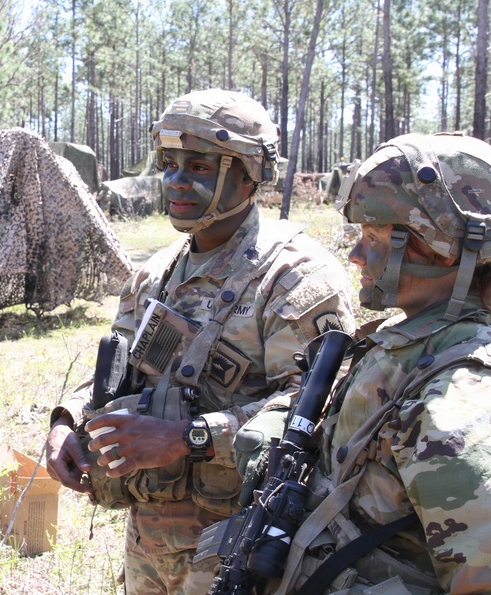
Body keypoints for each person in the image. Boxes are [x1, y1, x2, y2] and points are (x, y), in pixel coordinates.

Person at [44, 89, 356, 595]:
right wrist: (67, 421)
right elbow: (118, 367)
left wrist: (184, 437)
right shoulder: (157, 271)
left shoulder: (295, 279)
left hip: (238, 545)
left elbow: (318, 415)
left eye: (201, 166)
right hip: (148, 539)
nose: (176, 180)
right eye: (170, 163)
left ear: (249, 173)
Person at [226, 132, 491, 595]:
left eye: (374, 237)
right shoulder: (415, 343)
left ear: (439, 246)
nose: (355, 255)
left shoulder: (464, 393)